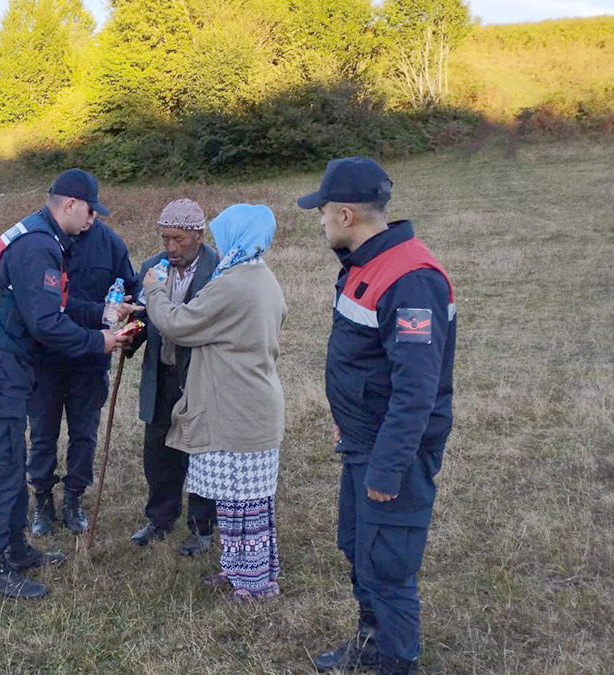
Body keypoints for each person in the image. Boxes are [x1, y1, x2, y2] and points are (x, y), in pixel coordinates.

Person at [298, 158, 457, 675]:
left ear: (346, 215)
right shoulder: (365, 265)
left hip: (393, 453)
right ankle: (370, 644)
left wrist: (388, 468)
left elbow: (416, 390)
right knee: (358, 548)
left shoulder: (410, 279)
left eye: (321, 213)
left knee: (389, 565)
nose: (319, 223)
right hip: (362, 443)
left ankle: (396, 662)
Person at [0, 168, 129, 599]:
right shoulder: (38, 246)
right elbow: (47, 322)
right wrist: (100, 341)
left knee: (12, 462)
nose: (92, 221)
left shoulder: (37, 237)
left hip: (5, 365)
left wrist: (105, 312)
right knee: (0, 469)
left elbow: (56, 301)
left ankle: (15, 548)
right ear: (70, 205)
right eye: (89, 212)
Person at [142, 203, 287, 601]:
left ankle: (254, 586)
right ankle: (240, 572)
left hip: (238, 407)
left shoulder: (233, 282)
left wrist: (153, 289)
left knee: (246, 506)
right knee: (240, 501)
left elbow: (178, 324)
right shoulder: (261, 276)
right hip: (251, 403)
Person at [27, 211, 138, 537]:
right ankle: (43, 499)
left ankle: (74, 499)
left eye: (94, 212)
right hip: (45, 357)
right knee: (42, 433)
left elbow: (130, 289)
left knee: (84, 433)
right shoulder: (43, 241)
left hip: (92, 356)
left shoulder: (111, 243)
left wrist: (127, 320)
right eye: (85, 210)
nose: (89, 218)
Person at [126, 198, 219, 556]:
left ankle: (201, 527)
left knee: (199, 451)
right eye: (165, 238)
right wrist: (128, 334)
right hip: (161, 375)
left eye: (178, 239)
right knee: (158, 451)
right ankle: (160, 518)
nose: (170, 247)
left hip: (200, 375)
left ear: (198, 234)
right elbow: (142, 317)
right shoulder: (153, 267)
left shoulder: (218, 270)